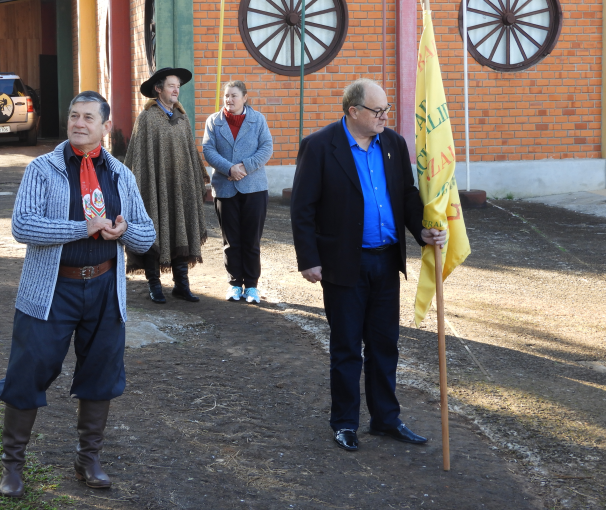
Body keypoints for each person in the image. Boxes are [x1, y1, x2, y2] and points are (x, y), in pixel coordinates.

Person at [0, 91, 155, 497]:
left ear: (105, 126)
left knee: (100, 373)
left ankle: (88, 460)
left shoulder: (120, 173)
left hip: (103, 288)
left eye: (88, 117)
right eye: (73, 116)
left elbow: (147, 235)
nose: (79, 123)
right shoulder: (42, 169)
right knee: (28, 372)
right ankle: (12, 466)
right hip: (51, 290)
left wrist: (123, 231)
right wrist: (82, 227)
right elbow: (23, 227)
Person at [290, 78, 446, 453]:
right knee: (346, 348)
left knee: (384, 345)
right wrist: (309, 260)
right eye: (377, 111)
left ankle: (386, 419)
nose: (384, 117)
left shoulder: (393, 144)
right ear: (353, 111)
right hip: (344, 265)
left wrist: (423, 230)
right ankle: (345, 423)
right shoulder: (319, 147)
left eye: (387, 110)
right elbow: (302, 208)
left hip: (385, 262)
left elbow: (406, 195)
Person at [124, 67, 209, 304]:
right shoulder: (147, 119)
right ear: (158, 89)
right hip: (153, 187)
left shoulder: (182, 118)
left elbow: (191, 154)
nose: (176, 90)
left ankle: (182, 284)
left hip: (180, 188)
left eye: (178, 86)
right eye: (171, 86)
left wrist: (195, 180)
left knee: (181, 225)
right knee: (154, 227)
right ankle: (154, 285)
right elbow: (139, 159)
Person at [202, 80, 273, 304]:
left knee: (251, 239)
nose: (229, 100)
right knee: (230, 240)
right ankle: (234, 284)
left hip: (254, 187)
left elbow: (267, 147)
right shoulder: (214, 121)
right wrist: (228, 168)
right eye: (226, 96)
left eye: (234, 95)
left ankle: (251, 286)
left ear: (244, 97)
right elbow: (208, 149)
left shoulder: (258, 119)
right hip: (225, 187)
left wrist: (244, 166)